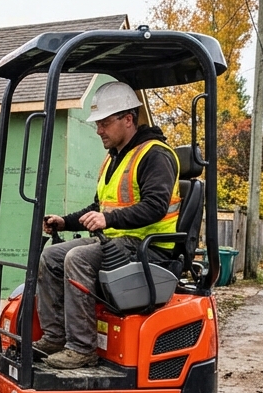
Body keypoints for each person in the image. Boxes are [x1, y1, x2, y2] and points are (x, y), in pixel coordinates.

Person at [35, 80, 181, 369]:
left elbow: (155, 206)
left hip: (149, 248)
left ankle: (82, 349)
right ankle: (55, 337)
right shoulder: (113, 159)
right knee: (50, 256)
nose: (98, 130)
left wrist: (108, 219)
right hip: (117, 243)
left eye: (104, 123)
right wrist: (64, 222)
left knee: (77, 258)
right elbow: (99, 208)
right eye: (98, 124)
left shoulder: (155, 155)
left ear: (128, 119)